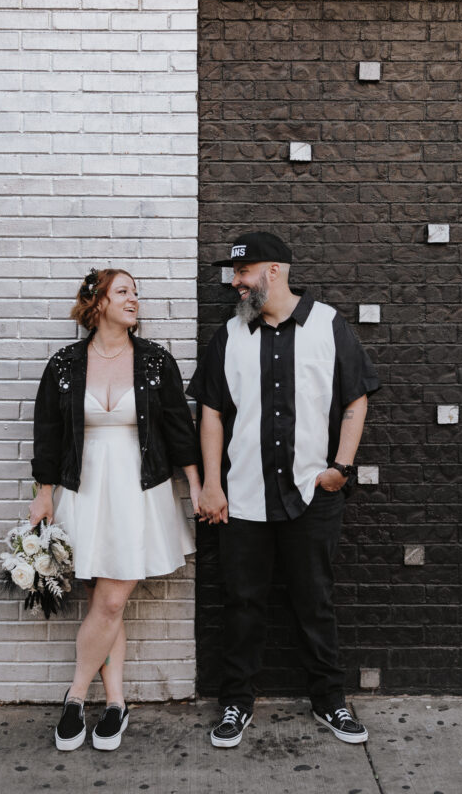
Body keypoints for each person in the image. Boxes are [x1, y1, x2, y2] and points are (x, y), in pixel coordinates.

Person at [188, 232, 379, 748]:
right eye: (233, 274)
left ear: (273, 271)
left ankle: (330, 702)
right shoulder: (229, 336)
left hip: (311, 497)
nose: (235, 282)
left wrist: (341, 466)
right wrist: (210, 483)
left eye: (242, 272)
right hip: (243, 498)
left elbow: (355, 399)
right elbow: (209, 413)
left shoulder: (327, 325)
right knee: (241, 604)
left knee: (315, 602)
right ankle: (235, 703)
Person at [29, 268, 201, 752]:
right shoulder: (65, 364)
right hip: (82, 491)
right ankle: (117, 703)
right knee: (106, 601)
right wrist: (44, 494)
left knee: (109, 601)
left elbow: (177, 430)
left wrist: (198, 486)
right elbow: (48, 434)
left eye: (136, 293)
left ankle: (74, 697)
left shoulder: (154, 362)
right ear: (98, 302)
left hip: (137, 491)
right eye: (123, 292)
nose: (134, 300)